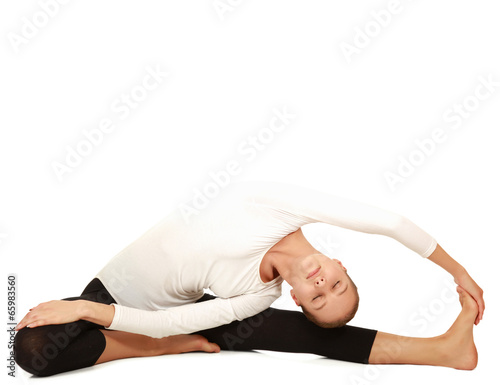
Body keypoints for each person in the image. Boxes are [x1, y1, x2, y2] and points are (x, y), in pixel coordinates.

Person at [14, 181, 484, 376]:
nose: (321, 286)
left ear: (298, 298)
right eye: (335, 286)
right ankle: (168, 345)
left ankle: (444, 350)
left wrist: (81, 311)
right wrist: (458, 271)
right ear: (342, 266)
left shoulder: (259, 296)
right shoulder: (283, 207)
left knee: (32, 355)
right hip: (118, 292)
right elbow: (391, 223)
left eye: (318, 298)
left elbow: (165, 321)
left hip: (171, 317)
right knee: (34, 349)